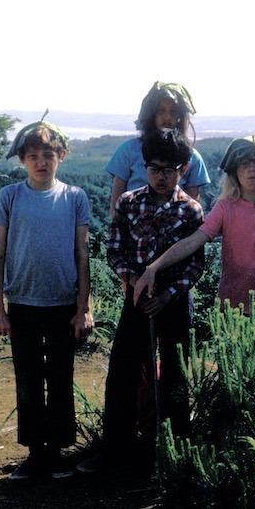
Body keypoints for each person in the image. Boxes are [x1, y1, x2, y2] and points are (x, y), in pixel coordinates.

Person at [78, 129, 205, 474]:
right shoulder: (128, 202)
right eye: (154, 168)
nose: (161, 177)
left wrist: (166, 295)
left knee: (175, 376)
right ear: (144, 167)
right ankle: (115, 452)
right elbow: (114, 250)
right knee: (123, 372)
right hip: (136, 298)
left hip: (174, 300)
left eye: (169, 169)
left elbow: (196, 263)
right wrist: (133, 281)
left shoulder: (191, 210)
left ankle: (172, 455)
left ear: (184, 168)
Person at [0, 120, 93, 480]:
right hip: (22, 303)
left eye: (48, 155)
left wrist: (84, 308)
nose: (41, 162)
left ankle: (58, 451)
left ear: (61, 156)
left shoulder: (75, 197)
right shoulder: (10, 197)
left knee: (62, 377)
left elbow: (83, 255)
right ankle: (35, 453)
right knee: (28, 378)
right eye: (32, 156)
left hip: (64, 304)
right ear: (22, 160)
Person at [138, 136, 255, 318]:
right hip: (231, 307)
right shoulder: (225, 207)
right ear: (235, 170)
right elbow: (193, 242)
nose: (251, 169)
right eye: (244, 163)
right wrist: (154, 267)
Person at [105, 81, 211, 219]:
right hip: (135, 231)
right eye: (161, 111)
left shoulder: (192, 157)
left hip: (175, 234)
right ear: (151, 114)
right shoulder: (128, 151)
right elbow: (115, 208)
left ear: (180, 117)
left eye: (173, 112)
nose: (167, 117)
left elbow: (193, 211)